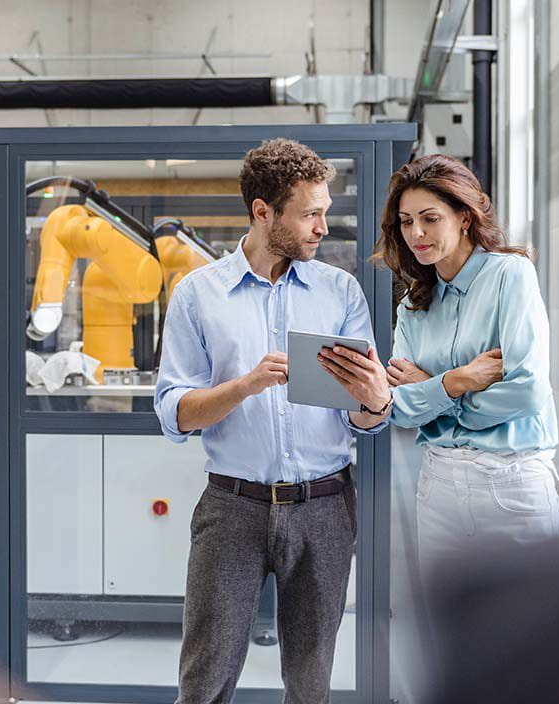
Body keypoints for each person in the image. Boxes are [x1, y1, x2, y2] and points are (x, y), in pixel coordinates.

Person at [154, 138, 393, 704]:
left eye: (324, 212)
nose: (322, 227)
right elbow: (174, 412)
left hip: (326, 507)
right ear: (263, 211)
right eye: (309, 214)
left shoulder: (341, 292)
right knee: (206, 678)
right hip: (231, 508)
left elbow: (364, 421)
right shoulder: (198, 294)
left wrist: (375, 402)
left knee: (311, 685)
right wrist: (245, 385)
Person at [375, 154, 559, 569]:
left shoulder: (510, 275)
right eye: (406, 222)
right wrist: (457, 381)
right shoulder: (412, 306)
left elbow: (527, 392)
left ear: (464, 217)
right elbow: (399, 410)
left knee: (533, 630)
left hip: (511, 487)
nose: (416, 233)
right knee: (450, 633)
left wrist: (432, 391)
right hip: (438, 488)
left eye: (429, 218)